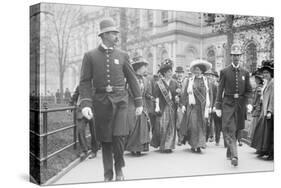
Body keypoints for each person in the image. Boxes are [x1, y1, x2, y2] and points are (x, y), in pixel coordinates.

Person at [79, 18, 143, 181]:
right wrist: (85, 103)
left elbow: (133, 78)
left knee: (119, 136)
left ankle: (119, 168)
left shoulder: (123, 55)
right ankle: (108, 174)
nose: (116, 36)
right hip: (100, 103)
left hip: (120, 102)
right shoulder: (90, 56)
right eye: (113, 33)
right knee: (106, 140)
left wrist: (138, 102)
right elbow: (85, 81)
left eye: (116, 33)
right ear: (104, 35)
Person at [215, 43, 252, 166]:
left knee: (236, 131)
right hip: (228, 104)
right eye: (234, 55)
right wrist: (218, 106)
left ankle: (229, 151)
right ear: (231, 56)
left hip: (240, 105)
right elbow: (220, 90)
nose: (236, 57)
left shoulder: (245, 72)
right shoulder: (224, 71)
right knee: (230, 129)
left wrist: (249, 103)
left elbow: (249, 90)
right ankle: (235, 156)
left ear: (240, 56)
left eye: (238, 55)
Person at [180, 60, 213, 153]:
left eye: (198, 69)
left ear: (202, 71)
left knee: (202, 126)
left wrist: (210, 106)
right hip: (192, 107)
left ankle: (200, 145)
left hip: (203, 108)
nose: (196, 71)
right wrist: (183, 105)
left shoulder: (207, 81)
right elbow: (184, 93)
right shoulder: (189, 80)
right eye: (195, 69)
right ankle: (193, 144)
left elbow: (210, 94)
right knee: (193, 126)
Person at [150, 58, 178, 153]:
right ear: (164, 73)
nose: (170, 73)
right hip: (163, 106)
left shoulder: (175, 82)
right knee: (162, 126)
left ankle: (168, 146)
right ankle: (163, 144)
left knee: (171, 126)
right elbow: (156, 96)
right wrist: (157, 106)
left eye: (171, 71)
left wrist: (178, 96)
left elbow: (177, 94)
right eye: (168, 72)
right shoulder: (159, 83)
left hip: (172, 107)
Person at [125, 57, 150, 156]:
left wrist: (151, 97)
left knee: (143, 126)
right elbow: (129, 92)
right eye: (144, 67)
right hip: (132, 104)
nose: (145, 69)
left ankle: (140, 148)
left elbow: (146, 92)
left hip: (143, 104)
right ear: (138, 68)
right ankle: (133, 148)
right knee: (133, 125)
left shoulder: (145, 79)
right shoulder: (130, 79)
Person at [251, 60, 274, 160]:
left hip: (269, 111)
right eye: (264, 73)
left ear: (271, 74)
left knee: (270, 133)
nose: (265, 75)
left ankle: (271, 153)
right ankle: (262, 150)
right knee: (262, 131)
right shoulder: (266, 83)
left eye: (267, 73)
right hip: (263, 110)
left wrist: (270, 110)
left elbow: (273, 98)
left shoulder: (273, 83)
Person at [70, 86, 99, 161]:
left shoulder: (97, 83)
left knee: (94, 131)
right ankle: (84, 150)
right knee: (80, 130)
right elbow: (75, 96)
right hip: (81, 110)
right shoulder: (81, 84)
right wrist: (70, 105)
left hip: (94, 110)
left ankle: (94, 150)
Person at [248, 69, 263, 142]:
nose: (256, 80)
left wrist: (254, 106)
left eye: (257, 79)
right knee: (254, 125)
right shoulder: (257, 87)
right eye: (255, 78)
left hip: (257, 109)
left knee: (255, 125)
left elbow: (259, 99)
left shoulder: (259, 88)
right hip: (255, 108)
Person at [173, 66, 185, 146]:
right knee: (176, 123)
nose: (179, 74)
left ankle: (181, 139)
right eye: (178, 73)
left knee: (181, 122)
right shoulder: (174, 82)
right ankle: (177, 139)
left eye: (181, 73)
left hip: (183, 104)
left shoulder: (185, 81)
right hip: (175, 105)